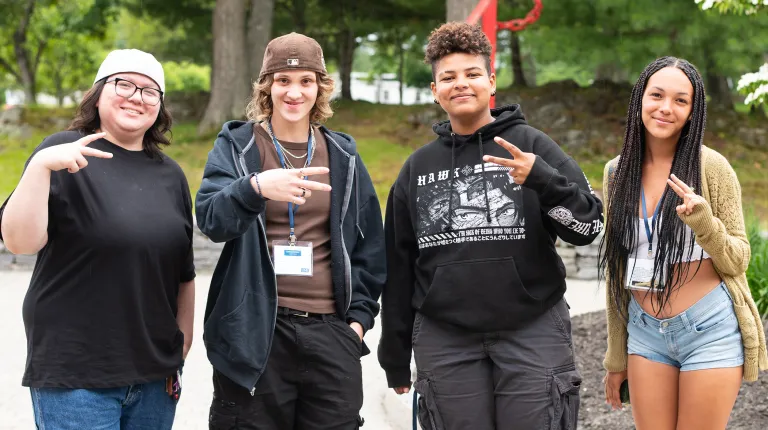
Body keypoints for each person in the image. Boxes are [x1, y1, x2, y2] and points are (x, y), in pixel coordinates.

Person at [377, 22, 603, 429]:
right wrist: (394, 353)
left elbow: (587, 227)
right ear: (435, 90)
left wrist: (543, 180)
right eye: (449, 77)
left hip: (532, 328)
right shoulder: (417, 168)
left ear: (491, 81)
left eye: (472, 73)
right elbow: (398, 263)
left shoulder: (531, 146)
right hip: (446, 339)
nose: (461, 84)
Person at [195, 32, 385, 429]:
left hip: (331, 333)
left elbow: (370, 246)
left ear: (320, 88)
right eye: (283, 80)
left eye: (305, 81)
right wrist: (255, 187)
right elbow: (211, 219)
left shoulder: (344, 155)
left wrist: (357, 323)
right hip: (257, 332)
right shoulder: (239, 145)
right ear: (267, 86)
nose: (294, 92)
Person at [0, 49, 195, 429]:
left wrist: (183, 344)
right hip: (76, 373)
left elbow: (183, 273)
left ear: (160, 105)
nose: (136, 97)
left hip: (155, 376)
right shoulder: (62, 151)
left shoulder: (171, 175)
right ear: (98, 92)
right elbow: (19, 243)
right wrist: (40, 168)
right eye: (124, 84)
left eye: (150, 91)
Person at [600, 56, 768, 429]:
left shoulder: (712, 168)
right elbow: (616, 272)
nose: (666, 108)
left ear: (693, 112)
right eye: (657, 95)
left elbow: (738, 259)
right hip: (645, 333)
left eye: (680, 100)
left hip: (708, 329)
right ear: (640, 99)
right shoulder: (616, 173)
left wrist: (705, 224)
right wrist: (616, 358)